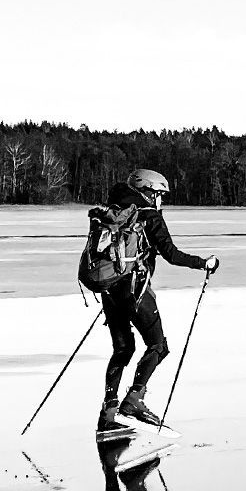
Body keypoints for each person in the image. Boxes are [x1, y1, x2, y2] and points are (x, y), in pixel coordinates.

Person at [87, 169, 219, 431]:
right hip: (135, 289)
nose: (161, 200)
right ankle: (133, 401)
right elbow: (171, 254)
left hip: (110, 289)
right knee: (158, 346)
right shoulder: (149, 216)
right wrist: (204, 263)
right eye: (160, 194)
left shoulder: (112, 211)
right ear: (149, 192)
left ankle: (109, 412)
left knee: (122, 349)